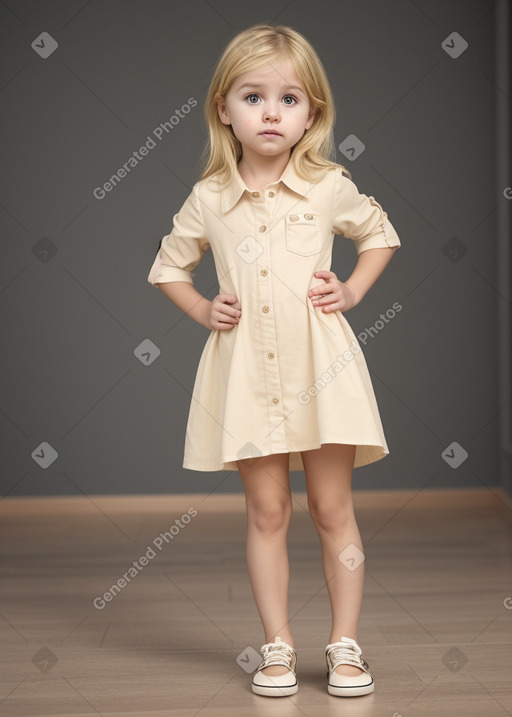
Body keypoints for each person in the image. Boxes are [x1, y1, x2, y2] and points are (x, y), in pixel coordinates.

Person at [147, 22, 401, 698]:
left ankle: (346, 644)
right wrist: (204, 310)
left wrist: (350, 288)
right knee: (266, 510)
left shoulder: (328, 185)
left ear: (312, 113)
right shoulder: (209, 197)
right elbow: (171, 267)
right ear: (223, 110)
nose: (270, 111)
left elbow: (378, 235)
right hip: (248, 376)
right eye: (253, 96)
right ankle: (277, 647)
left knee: (331, 506)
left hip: (324, 370)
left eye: (289, 99)